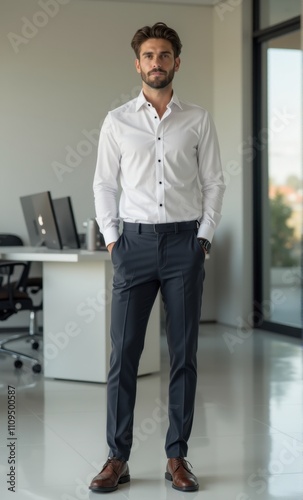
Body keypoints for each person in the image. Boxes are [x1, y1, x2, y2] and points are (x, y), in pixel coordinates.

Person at [90, 21, 225, 494]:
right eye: (148, 55)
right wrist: (113, 241)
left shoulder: (198, 119)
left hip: (185, 245)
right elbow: (104, 185)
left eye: (164, 55)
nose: (156, 63)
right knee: (123, 354)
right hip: (134, 245)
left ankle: (177, 456)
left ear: (176, 62)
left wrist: (202, 239)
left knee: (183, 353)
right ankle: (117, 458)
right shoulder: (117, 121)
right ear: (138, 64)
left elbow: (214, 183)